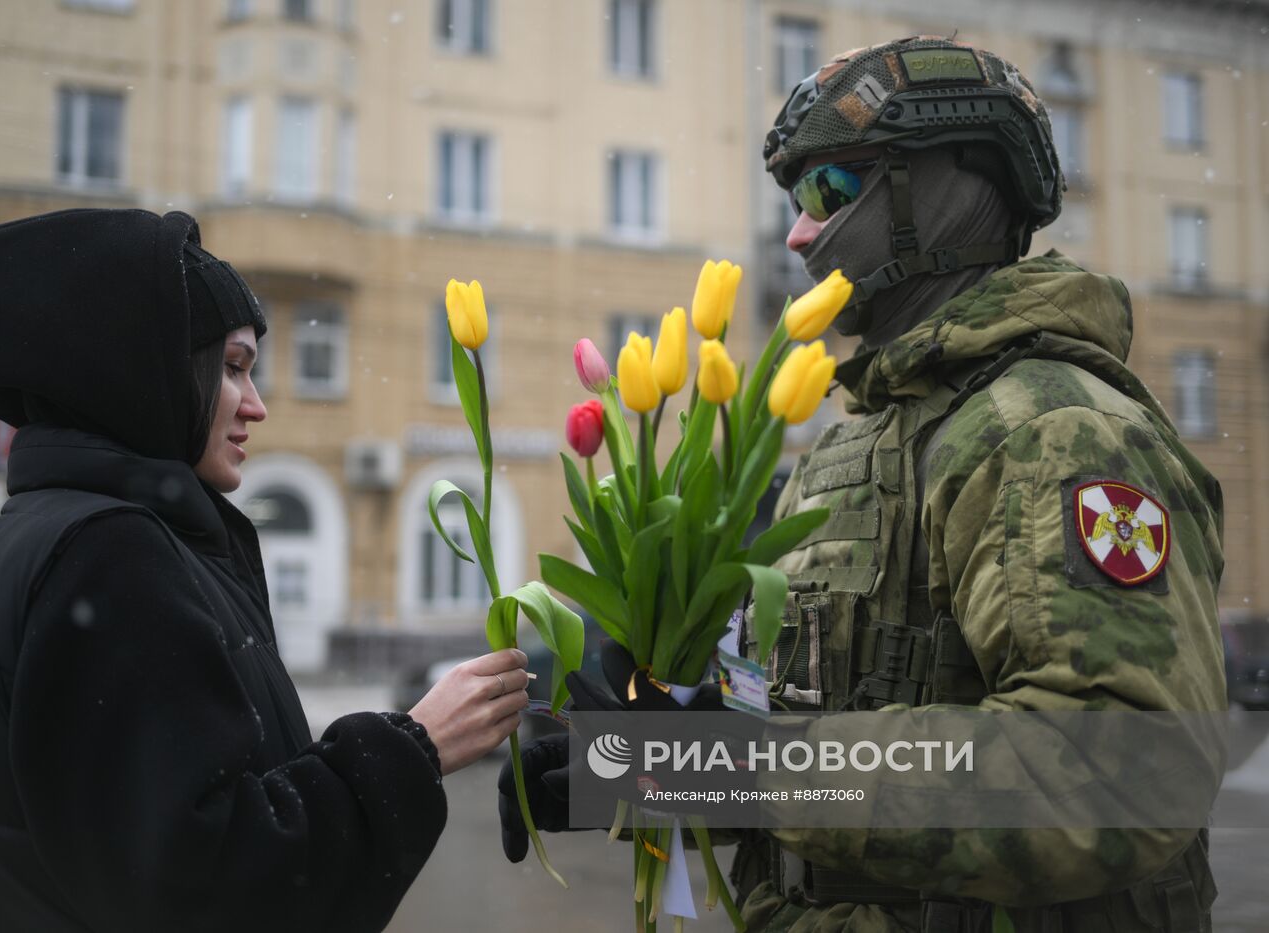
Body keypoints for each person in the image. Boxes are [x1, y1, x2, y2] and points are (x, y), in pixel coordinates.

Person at [501, 36, 1225, 933]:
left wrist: (738, 766)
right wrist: (632, 764)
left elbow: (1117, 770)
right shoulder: (857, 441)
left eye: (829, 190)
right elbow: (826, 750)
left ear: (946, 191)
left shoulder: (1050, 427)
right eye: (793, 199)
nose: (800, 230)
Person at [0, 208, 529, 933]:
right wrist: (414, 748)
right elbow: (210, 881)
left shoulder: (55, 528)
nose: (258, 406)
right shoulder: (109, 554)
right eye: (235, 367)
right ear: (146, 375)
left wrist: (620, 773)